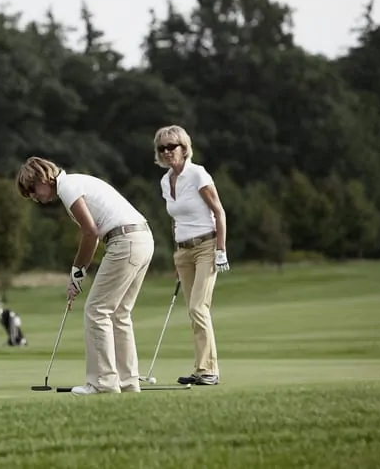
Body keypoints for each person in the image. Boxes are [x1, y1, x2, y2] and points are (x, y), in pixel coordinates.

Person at [15, 156, 155, 395]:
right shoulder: (75, 182)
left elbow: (90, 233)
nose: (35, 197)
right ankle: (128, 382)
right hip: (143, 238)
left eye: (32, 189)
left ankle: (103, 383)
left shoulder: (68, 187)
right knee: (119, 313)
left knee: (97, 310)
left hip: (125, 241)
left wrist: (77, 273)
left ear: (43, 178)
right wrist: (79, 273)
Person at [153, 125, 230, 386]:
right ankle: (202, 369)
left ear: (184, 148)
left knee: (199, 308)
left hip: (206, 247)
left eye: (171, 146)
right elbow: (175, 220)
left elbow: (219, 212)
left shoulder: (198, 174)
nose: (166, 152)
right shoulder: (166, 181)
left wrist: (221, 250)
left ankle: (209, 371)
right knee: (193, 312)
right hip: (183, 252)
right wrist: (177, 255)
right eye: (162, 148)